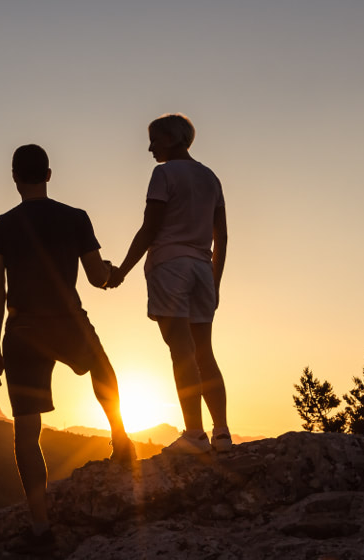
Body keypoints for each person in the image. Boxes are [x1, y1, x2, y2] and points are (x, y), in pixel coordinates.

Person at [0, 144, 133, 553]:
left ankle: (40, 527)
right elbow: (96, 276)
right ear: (49, 175)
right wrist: (112, 275)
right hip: (67, 322)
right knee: (102, 370)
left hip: (23, 330)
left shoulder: (0, 226)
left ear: (15, 177)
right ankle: (121, 439)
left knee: (27, 432)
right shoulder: (75, 218)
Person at [108, 113, 232, 455]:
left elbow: (150, 228)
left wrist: (121, 271)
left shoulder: (163, 174)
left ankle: (194, 435)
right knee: (204, 351)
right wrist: (215, 281)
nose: (150, 148)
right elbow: (221, 235)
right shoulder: (210, 177)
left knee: (181, 352)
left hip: (170, 267)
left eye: (155, 140)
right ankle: (222, 433)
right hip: (202, 269)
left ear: (175, 139)